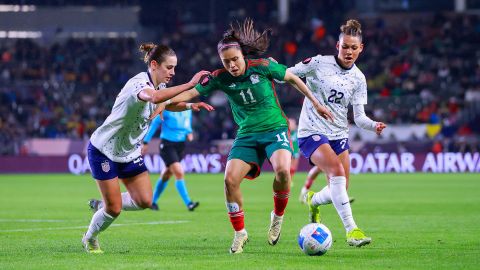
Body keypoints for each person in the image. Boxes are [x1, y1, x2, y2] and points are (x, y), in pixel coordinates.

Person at [151, 19, 333, 254]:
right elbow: (189, 93)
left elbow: (292, 78)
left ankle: (277, 215)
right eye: (226, 62)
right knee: (229, 180)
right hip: (247, 134)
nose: (232, 65)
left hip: (274, 128)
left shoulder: (263, 66)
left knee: (282, 171)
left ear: (243, 56)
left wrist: (316, 103)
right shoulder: (219, 77)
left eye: (235, 60)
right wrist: (165, 102)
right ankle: (240, 233)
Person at [82, 42, 212, 253]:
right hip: (104, 150)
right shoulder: (139, 84)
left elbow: (165, 103)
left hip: (129, 152)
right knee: (114, 209)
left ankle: (103, 204)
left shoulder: (159, 87)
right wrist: (190, 84)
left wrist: (189, 105)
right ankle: (90, 237)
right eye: (169, 67)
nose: (172, 72)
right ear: (154, 64)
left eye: (174, 67)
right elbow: (154, 98)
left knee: (144, 200)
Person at [288, 19, 387, 247]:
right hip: (311, 131)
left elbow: (359, 117)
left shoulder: (358, 78)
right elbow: (289, 74)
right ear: (337, 45)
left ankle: (313, 200)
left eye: (354, 47)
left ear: (361, 48)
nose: (349, 51)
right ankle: (352, 231)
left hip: (339, 134)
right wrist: (272, 69)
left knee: (341, 187)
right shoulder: (318, 63)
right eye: (345, 46)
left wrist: (374, 126)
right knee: (336, 172)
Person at [141, 110, 200, 212]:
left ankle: (152, 202)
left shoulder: (188, 110)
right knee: (179, 172)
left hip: (180, 146)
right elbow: (154, 124)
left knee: (166, 175)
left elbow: (187, 124)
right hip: (167, 145)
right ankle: (189, 203)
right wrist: (146, 141)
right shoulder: (166, 110)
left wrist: (189, 132)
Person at [288, 118, 300, 185]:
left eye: (293, 124)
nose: (293, 125)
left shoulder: (297, 132)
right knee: (289, 166)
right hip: (290, 151)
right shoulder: (287, 133)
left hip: (296, 151)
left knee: (294, 167)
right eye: (291, 124)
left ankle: (290, 180)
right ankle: (287, 179)